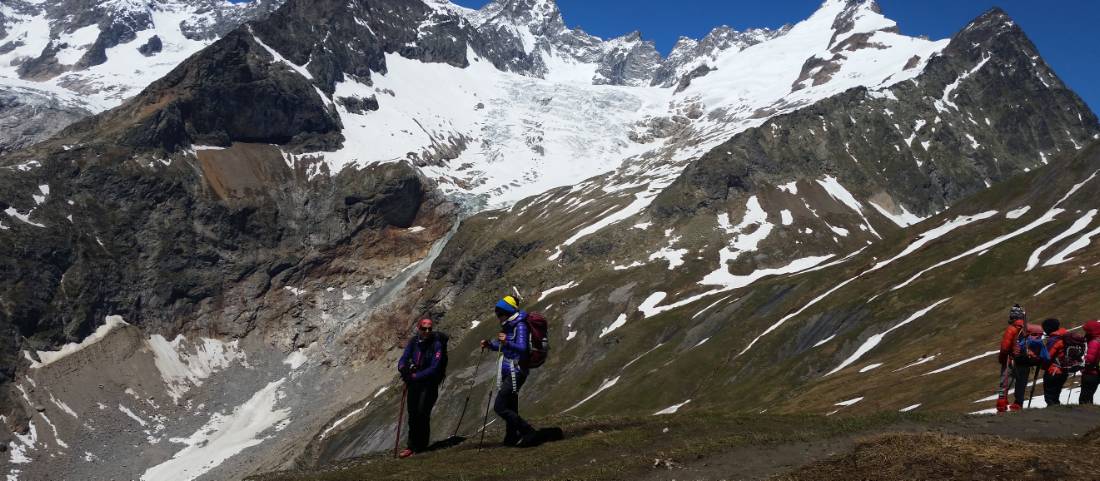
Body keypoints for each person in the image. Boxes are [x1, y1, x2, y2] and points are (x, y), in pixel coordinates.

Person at [480, 295, 538, 447]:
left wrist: (506, 341)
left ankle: (528, 432)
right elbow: (502, 345)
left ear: (508, 311)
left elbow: (523, 349)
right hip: (508, 369)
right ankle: (511, 437)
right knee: (511, 405)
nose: (498, 317)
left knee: (500, 406)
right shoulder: (509, 325)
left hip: (517, 370)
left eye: (500, 313)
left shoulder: (520, 326)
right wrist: (489, 345)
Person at [397, 318, 445, 458]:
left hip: (429, 384)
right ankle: (412, 446)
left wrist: (414, 376)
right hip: (414, 383)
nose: (427, 331)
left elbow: (434, 367)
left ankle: (421, 446)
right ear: (419, 329)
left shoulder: (436, 345)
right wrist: (403, 369)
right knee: (412, 414)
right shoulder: (413, 342)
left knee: (422, 413)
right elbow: (403, 358)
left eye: (429, 328)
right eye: (424, 329)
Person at [997, 304, 1027, 412]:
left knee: (1004, 384)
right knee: (1021, 383)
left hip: (1010, 360)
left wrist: (1002, 359)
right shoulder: (1027, 329)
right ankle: (1018, 404)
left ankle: (1001, 405)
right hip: (1024, 361)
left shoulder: (1012, 329)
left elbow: (1005, 348)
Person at [1041, 318, 1069, 406]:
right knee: (1056, 396)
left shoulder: (1054, 339)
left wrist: (1042, 365)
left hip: (1053, 371)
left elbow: (1048, 357)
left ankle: (1053, 416)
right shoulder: (1065, 336)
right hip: (1064, 371)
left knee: (1050, 397)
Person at [1081, 320, 1100, 405]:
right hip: (1096, 373)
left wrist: (1082, 360)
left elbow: (1090, 360)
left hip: (1090, 373)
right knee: (1089, 394)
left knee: (1084, 397)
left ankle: (1083, 415)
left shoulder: (1094, 342)